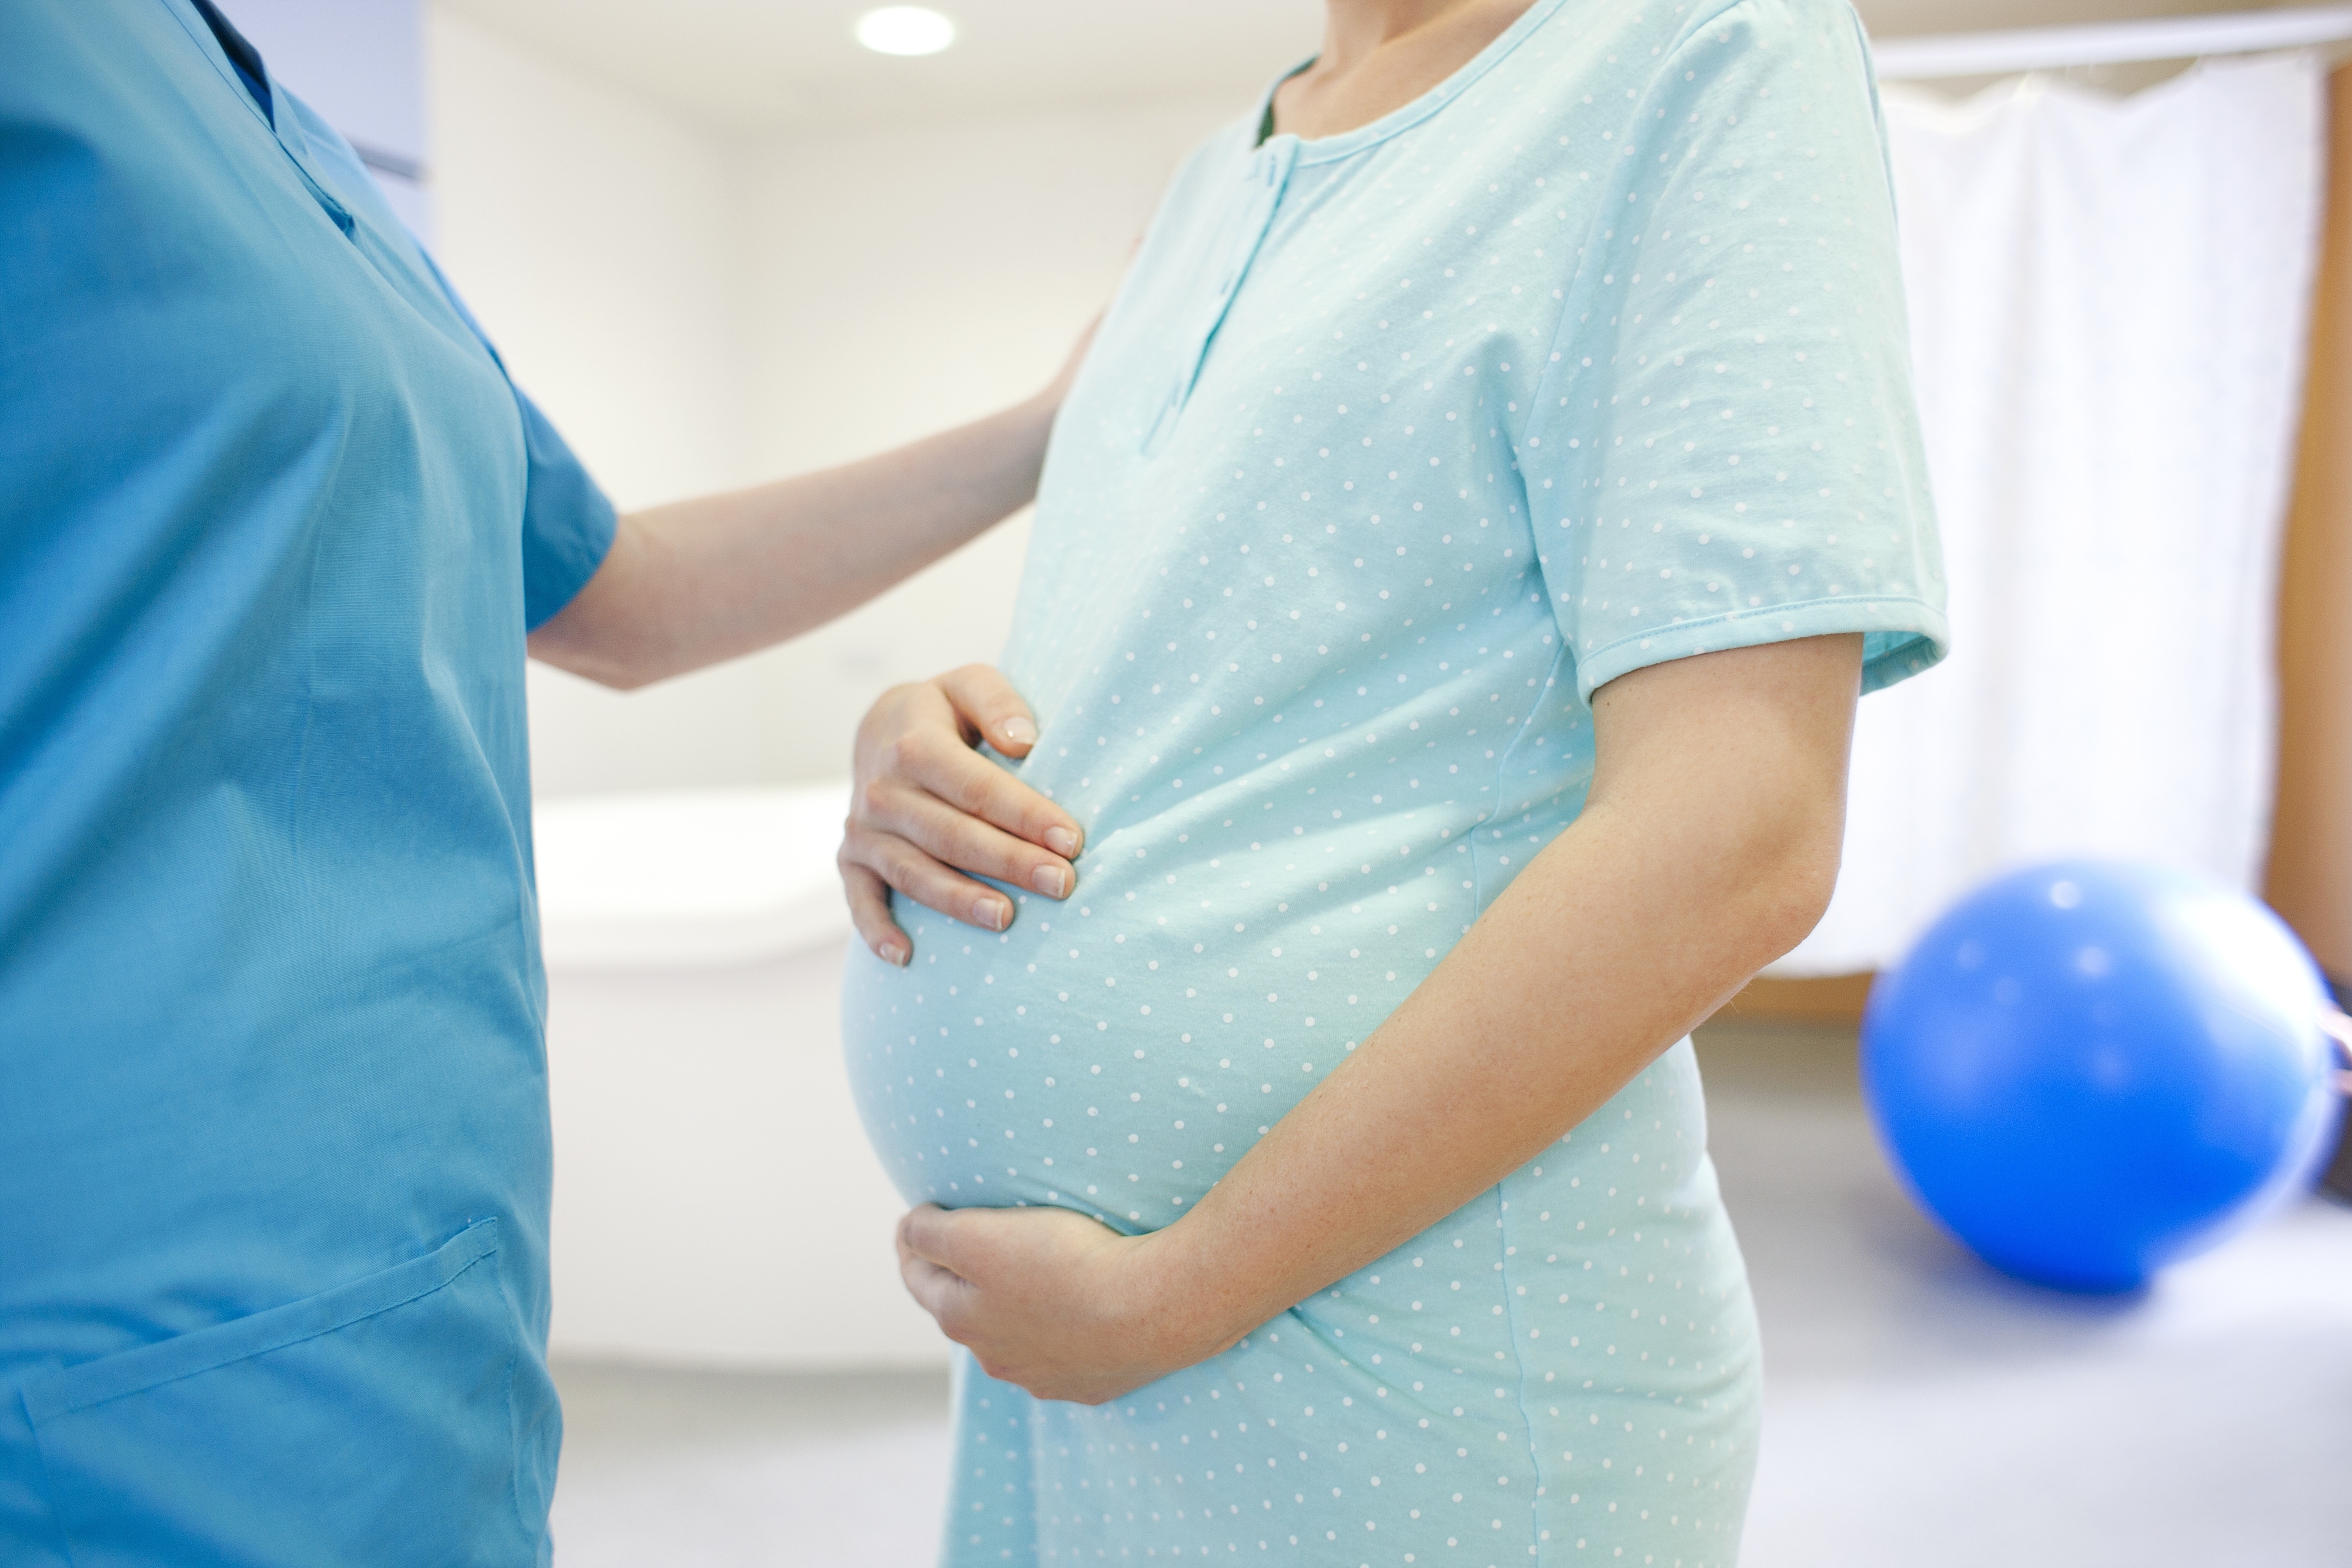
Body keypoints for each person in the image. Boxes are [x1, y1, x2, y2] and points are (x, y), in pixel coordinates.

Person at [834, 0, 1949, 1560]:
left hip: (1405, 1361)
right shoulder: (1219, 174)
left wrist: (1182, 1286)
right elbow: (1224, 665)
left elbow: (1739, 825)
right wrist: (934, 741)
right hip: (1067, 1371)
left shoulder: (1705, 44)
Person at [0, 4, 1088, 1562]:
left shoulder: (281, 138)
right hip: (107, 1347)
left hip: (418, 1312)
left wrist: (1044, 432)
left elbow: (620, 594)